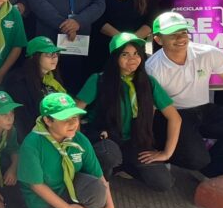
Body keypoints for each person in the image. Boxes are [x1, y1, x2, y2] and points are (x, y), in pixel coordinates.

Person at [146, 11, 223, 178]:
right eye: (172, 35)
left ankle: (210, 171)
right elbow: (149, 109)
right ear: (158, 39)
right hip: (171, 115)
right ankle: (172, 152)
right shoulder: (152, 68)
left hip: (203, 108)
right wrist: (152, 145)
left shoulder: (208, 53)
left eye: (183, 32)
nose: (180, 39)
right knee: (195, 158)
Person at [76, 33, 181, 191]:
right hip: (106, 139)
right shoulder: (99, 80)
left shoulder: (149, 83)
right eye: (125, 54)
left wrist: (166, 153)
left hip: (135, 142)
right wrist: (78, 144)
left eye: (136, 53)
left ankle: (122, 166)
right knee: (109, 155)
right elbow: (74, 112)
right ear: (114, 57)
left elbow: (175, 118)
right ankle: (101, 175)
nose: (132, 59)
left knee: (163, 183)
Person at [18, 93, 116, 208]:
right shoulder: (33, 144)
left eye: (75, 117)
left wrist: (110, 207)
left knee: (97, 188)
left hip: (69, 187)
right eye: (65, 119)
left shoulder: (79, 139)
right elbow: (37, 186)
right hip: (43, 198)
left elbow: (99, 176)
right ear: (48, 120)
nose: (72, 123)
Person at [5, 36, 67, 140]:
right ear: (34, 57)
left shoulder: (52, 79)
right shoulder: (18, 81)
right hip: (32, 137)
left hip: (54, 133)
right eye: (48, 54)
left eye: (56, 54)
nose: (54, 58)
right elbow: (22, 118)